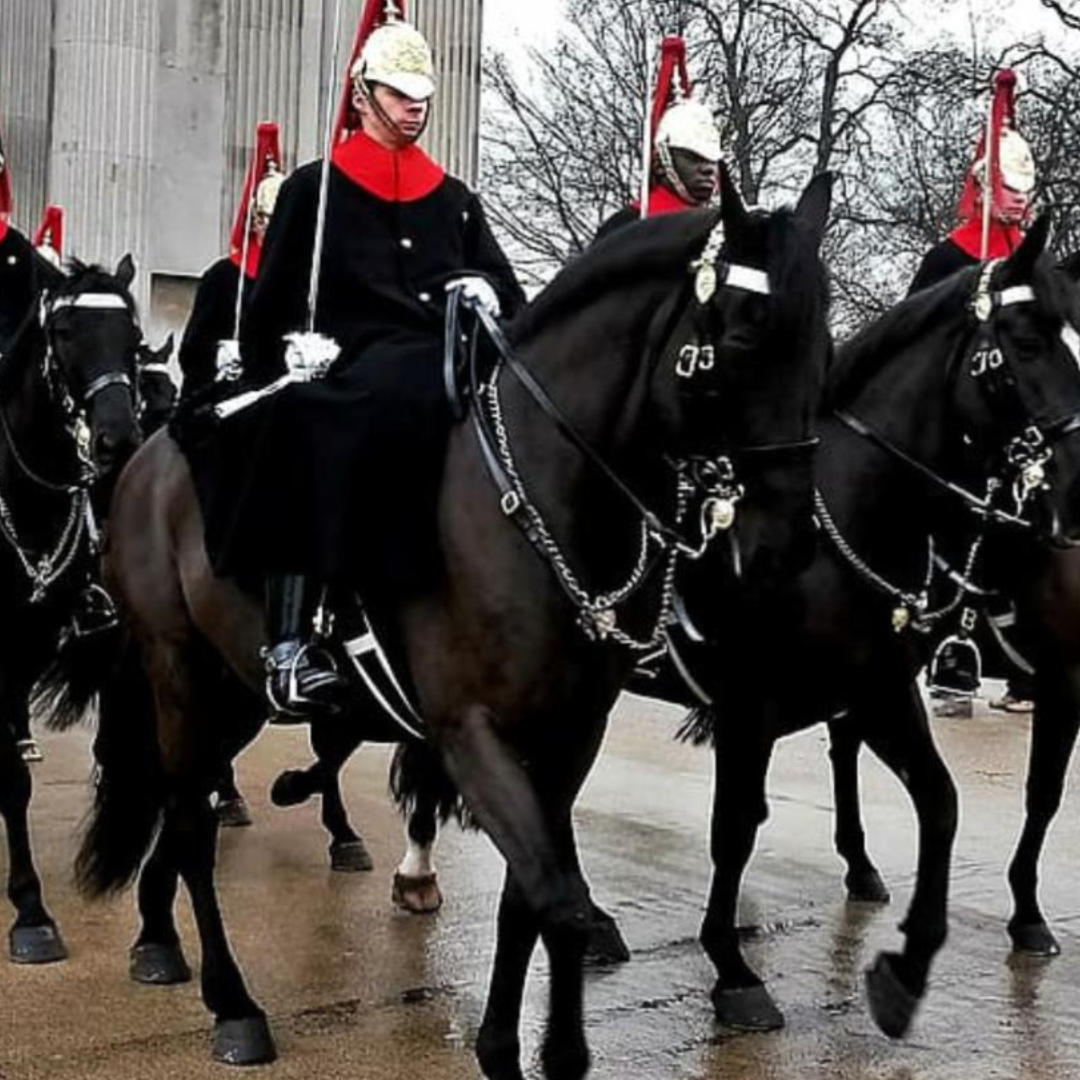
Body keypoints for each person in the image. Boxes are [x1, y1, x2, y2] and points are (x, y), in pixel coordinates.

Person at [195, 0, 524, 717]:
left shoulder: (456, 200)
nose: (416, 112)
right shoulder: (314, 191)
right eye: (402, 97)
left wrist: (486, 288)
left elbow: (512, 295)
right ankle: (291, 642)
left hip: (440, 356)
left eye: (424, 100)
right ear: (364, 95)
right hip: (346, 365)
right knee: (309, 421)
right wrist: (291, 349)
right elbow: (270, 310)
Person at [909, 69, 1037, 714]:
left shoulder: (1031, 262)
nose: (1020, 200)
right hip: (956, 426)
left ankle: (1033, 665)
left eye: (1025, 190)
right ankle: (949, 651)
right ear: (986, 189)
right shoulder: (947, 260)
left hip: (1023, 428)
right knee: (950, 535)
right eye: (1010, 189)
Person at [178, 123, 286, 397]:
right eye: (267, 220)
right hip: (229, 393)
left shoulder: (300, 280)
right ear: (256, 222)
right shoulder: (223, 277)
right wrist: (219, 355)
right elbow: (191, 351)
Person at [595, 36, 722, 241]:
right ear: (662, 163)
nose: (708, 169)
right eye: (693, 157)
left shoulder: (722, 227)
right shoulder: (627, 224)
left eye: (711, 160)